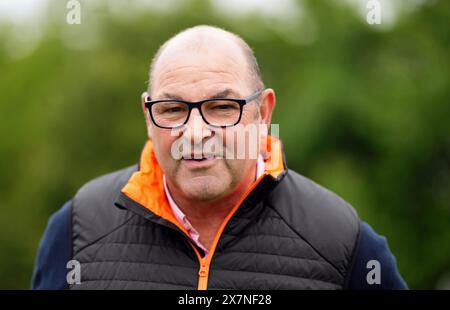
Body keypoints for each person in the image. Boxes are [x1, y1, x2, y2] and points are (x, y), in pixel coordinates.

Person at [32, 25, 407, 290]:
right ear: (149, 117)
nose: (196, 133)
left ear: (262, 114)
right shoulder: (77, 229)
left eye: (222, 106)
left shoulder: (343, 239)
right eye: (173, 109)